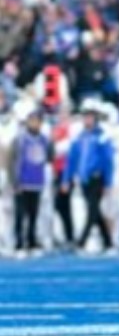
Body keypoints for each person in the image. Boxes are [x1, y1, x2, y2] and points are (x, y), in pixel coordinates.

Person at [68, 104, 117, 253]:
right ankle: (108, 243)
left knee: (92, 210)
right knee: (95, 211)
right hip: (84, 179)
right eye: (85, 117)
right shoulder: (80, 137)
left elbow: (108, 160)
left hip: (97, 178)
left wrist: (108, 181)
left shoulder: (101, 136)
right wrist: (67, 178)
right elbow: (73, 159)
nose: (87, 120)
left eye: (90, 117)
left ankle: (82, 242)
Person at [7, 109, 50, 256]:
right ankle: (19, 244)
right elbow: (11, 162)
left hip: (37, 182)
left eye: (37, 121)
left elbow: (49, 156)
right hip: (22, 183)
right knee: (20, 215)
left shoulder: (44, 139)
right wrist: (14, 182)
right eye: (32, 120)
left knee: (33, 215)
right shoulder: (19, 139)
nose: (35, 123)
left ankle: (31, 242)